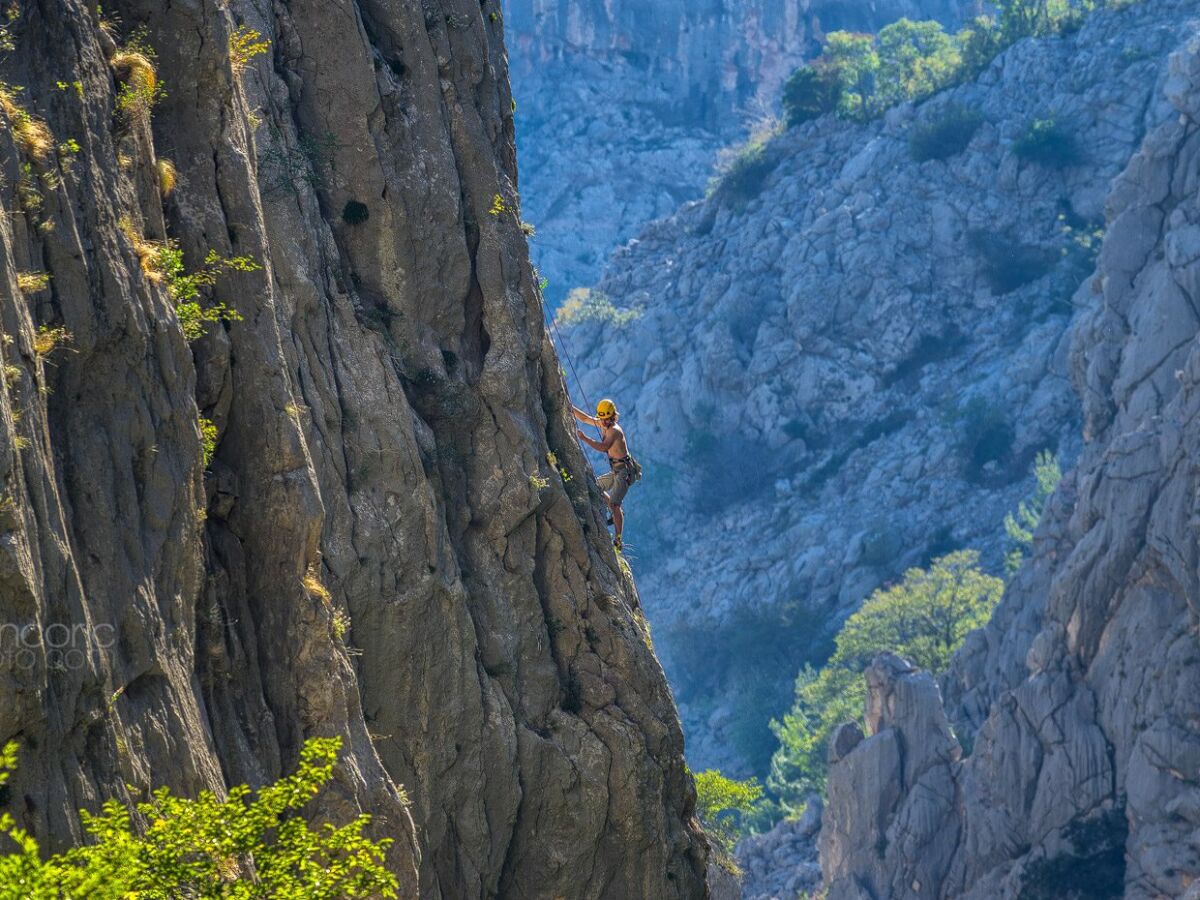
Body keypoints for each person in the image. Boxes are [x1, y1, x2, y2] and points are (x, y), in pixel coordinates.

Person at [573, 398, 638, 550]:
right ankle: (615, 510)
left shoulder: (615, 431)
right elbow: (584, 418)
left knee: (615, 505)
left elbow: (603, 447)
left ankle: (618, 539)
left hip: (625, 472)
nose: (604, 422)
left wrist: (584, 438)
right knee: (595, 486)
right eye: (602, 419)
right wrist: (570, 406)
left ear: (613, 417)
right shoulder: (603, 423)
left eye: (607, 419)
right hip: (616, 470)